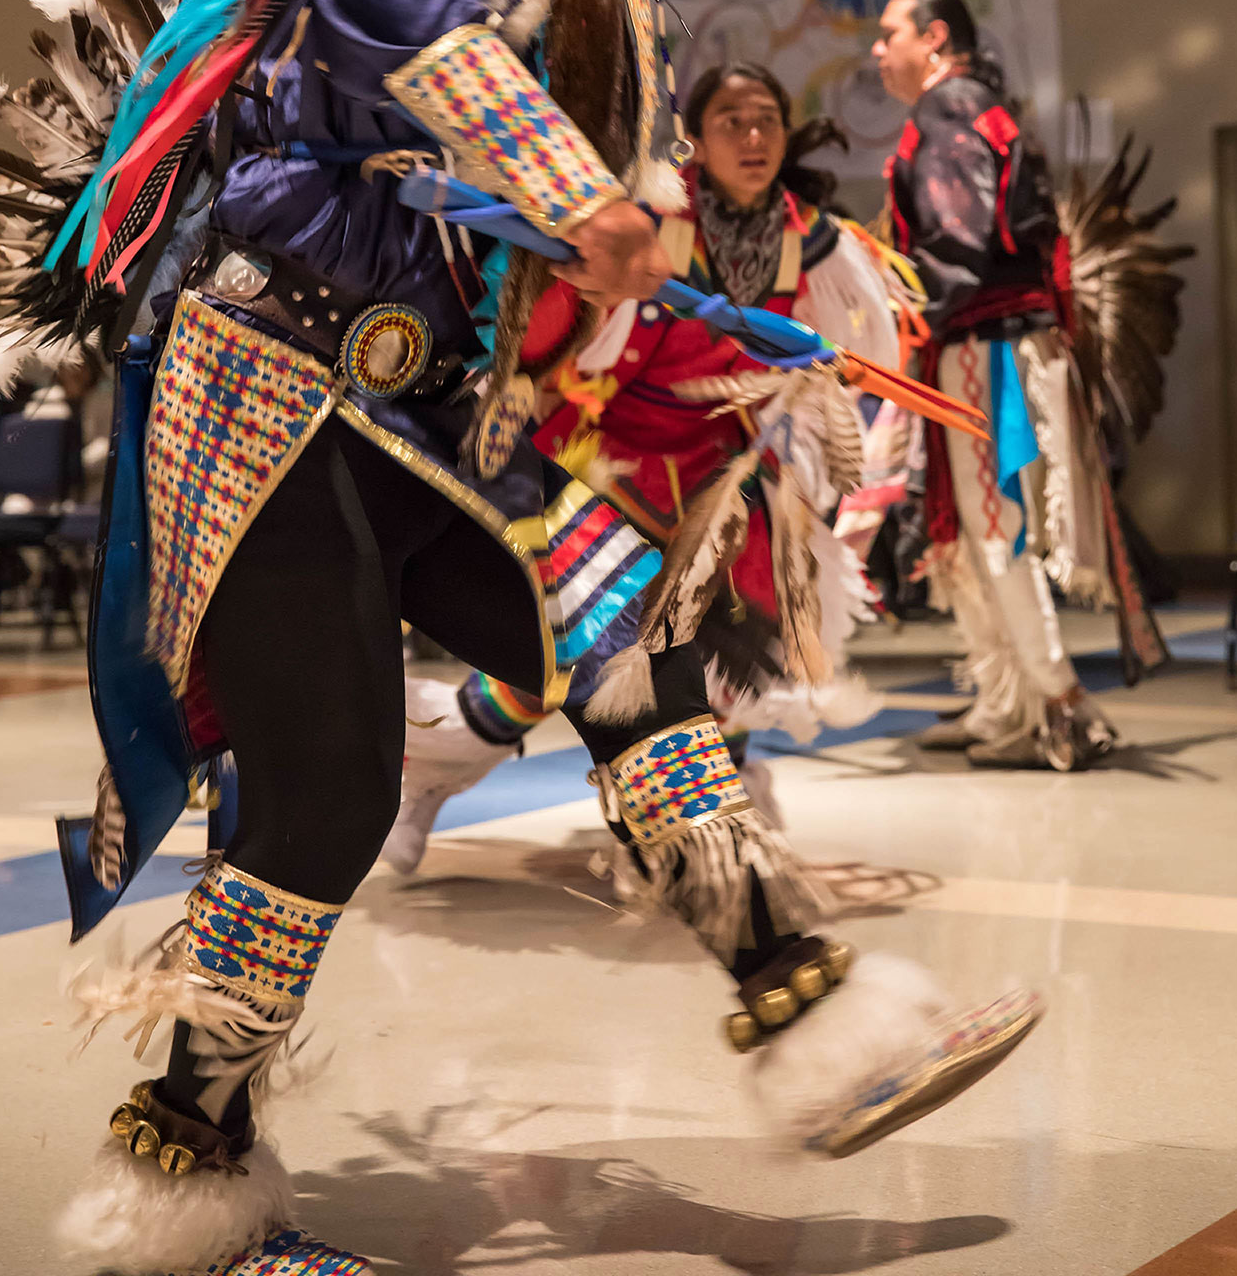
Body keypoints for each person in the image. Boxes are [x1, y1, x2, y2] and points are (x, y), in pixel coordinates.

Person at [0, 0, 1044, 1276]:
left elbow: (506, 174)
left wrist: (600, 272)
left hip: (422, 408)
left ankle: (807, 1013)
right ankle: (182, 1170)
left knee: (625, 644)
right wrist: (575, 191)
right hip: (276, 394)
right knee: (314, 804)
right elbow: (399, 20)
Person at [383, 61, 919, 870]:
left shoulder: (809, 235)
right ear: (694, 139)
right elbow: (553, 337)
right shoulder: (645, 218)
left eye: (767, 118)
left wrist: (816, 450)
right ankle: (427, 772)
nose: (753, 136)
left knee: (735, 660)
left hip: (720, 480)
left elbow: (861, 354)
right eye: (732, 120)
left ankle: (719, 823)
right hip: (606, 464)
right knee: (569, 664)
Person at [871, 0, 1160, 771]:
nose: (876, 49)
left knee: (998, 530)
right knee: (972, 533)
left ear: (933, 40)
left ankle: (1063, 707)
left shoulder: (947, 109)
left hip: (982, 352)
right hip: (990, 345)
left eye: (888, 33)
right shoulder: (978, 106)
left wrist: (897, 311)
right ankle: (1006, 703)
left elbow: (956, 242)